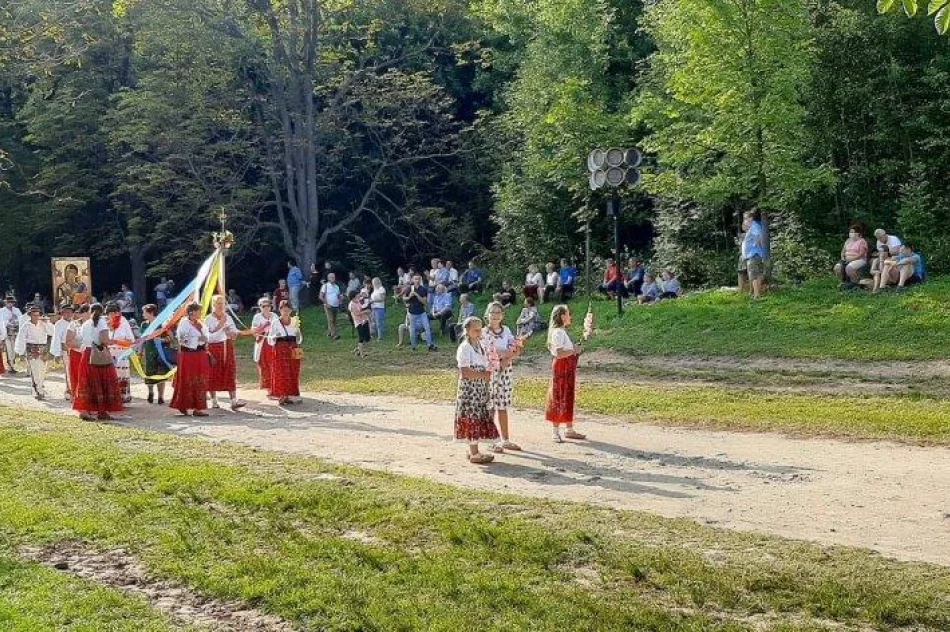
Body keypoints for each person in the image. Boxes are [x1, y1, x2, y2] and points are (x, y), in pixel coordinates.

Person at [454, 316, 499, 464]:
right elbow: (465, 371)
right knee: (472, 415)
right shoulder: (465, 347)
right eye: (476, 330)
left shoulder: (479, 345)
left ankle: (473, 449)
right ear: (467, 330)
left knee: (478, 415)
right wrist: (483, 375)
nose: (479, 332)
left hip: (479, 386)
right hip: (470, 388)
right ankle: (474, 453)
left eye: (480, 329)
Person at [483, 302, 524, 454]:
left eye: (498, 312)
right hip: (490, 372)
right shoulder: (484, 332)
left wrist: (507, 356)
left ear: (502, 315)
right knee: (491, 406)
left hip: (505, 371)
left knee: (503, 405)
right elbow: (488, 352)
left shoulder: (506, 330)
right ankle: (490, 439)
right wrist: (505, 354)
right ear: (487, 315)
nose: (495, 315)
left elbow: (515, 349)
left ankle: (505, 439)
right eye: (492, 312)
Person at [73, 303, 123, 420]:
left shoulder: (85, 323)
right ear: (102, 312)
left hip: (87, 354)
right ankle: (101, 411)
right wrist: (113, 341)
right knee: (102, 381)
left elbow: (81, 339)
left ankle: (85, 410)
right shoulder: (101, 322)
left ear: (90, 311)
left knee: (87, 382)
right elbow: (104, 339)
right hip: (98, 355)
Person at [545, 305, 587, 443]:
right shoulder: (557, 332)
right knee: (558, 395)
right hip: (561, 367)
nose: (570, 316)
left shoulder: (562, 332)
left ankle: (569, 428)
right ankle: (555, 431)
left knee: (568, 394)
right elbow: (559, 353)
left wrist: (575, 350)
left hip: (567, 367)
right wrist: (573, 350)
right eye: (568, 314)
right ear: (562, 316)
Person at [205, 294, 248, 410]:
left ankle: (233, 401)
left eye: (223, 303)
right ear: (213, 305)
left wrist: (235, 333)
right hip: (214, 348)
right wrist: (220, 327)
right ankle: (214, 400)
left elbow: (233, 329)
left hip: (227, 347)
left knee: (230, 371)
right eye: (218, 303)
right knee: (213, 372)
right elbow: (208, 337)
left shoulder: (228, 317)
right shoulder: (208, 319)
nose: (221, 306)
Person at [171, 303, 210, 417]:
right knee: (187, 379)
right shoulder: (184, 323)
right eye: (199, 311)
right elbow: (182, 339)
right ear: (192, 312)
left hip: (200, 354)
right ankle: (183, 405)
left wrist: (205, 339)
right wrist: (197, 339)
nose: (200, 313)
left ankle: (198, 408)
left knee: (200, 379)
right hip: (188, 355)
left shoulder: (200, 323)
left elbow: (207, 334)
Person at [15, 304, 54, 400]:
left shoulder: (44, 324)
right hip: (31, 349)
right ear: (30, 315)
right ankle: (38, 390)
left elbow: (52, 333)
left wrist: (47, 323)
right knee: (35, 370)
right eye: (34, 315)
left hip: (43, 348)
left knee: (42, 370)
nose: (36, 317)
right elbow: (21, 339)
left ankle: (37, 388)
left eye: (37, 315)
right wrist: (21, 353)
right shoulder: (26, 325)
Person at [268, 300, 303, 405]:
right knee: (281, 372)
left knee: (293, 372)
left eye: (288, 310)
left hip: (292, 349)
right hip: (280, 350)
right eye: (283, 310)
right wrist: (275, 336)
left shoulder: (294, 321)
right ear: (280, 310)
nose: (286, 312)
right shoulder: (275, 322)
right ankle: (282, 395)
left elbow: (300, 338)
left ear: (291, 310)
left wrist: (298, 335)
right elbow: (269, 340)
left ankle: (291, 395)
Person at [140, 303, 172, 405]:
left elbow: (170, 338)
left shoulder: (162, 324)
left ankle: (161, 396)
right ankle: (150, 392)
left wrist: (161, 340)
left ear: (151, 313)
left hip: (160, 353)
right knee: (149, 374)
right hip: (149, 352)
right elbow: (142, 340)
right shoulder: (144, 325)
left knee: (161, 374)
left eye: (144, 312)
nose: (142, 314)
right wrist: (140, 352)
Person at [106, 303, 135, 403]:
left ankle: (123, 396)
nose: (113, 315)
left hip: (121, 352)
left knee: (122, 373)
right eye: (110, 313)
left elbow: (130, 339)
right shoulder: (106, 322)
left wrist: (117, 341)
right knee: (112, 374)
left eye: (115, 312)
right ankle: (112, 395)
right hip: (110, 352)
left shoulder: (123, 321)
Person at [739, 211, 767, 300]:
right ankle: (756, 293)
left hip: (753, 255)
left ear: (751, 218)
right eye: (744, 218)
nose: (744, 220)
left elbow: (759, 235)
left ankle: (756, 296)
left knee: (754, 276)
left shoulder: (754, 226)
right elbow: (744, 228)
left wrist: (757, 242)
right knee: (757, 275)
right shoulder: (752, 227)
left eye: (746, 218)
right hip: (753, 255)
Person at [404, 274, 437, 352]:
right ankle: (413, 346)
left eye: (418, 279)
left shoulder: (423, 289)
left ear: (420, 280)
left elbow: (424, 302)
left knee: (427, 328)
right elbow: (404, 298)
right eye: (415, 279)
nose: (417, 280)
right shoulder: (409, 288)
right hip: (412, 312)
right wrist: (409, 297)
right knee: (412, 330)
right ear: (413, 280)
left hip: (422, 312)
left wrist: (416, 294)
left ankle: (430, 345)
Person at [50, 304, 76, 399]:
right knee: (68, 371)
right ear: (62, 313)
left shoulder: (75, 322)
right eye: (66, 312)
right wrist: (57, 354)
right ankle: (69, 391)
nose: (68, 314)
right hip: (66, 350)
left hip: (76, 350)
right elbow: (56, 339)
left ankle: (77, 390)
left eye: (70, 312)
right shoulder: (59, 324)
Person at [251, 297, 276, 390]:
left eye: (268, 305)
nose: (266, 308)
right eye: (263, 306)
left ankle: (274, 384)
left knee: (273, 363)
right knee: (263, 363)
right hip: (262, 343)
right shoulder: (257, 317)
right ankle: (266, 385)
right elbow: (254, 332)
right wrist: (265, 326)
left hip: (273, 342)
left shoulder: (274, 316)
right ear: (260, 307)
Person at [870, 229, 904, 293]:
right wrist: (881, 255)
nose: (879, 239)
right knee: (873, 261)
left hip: (895, 257)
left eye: (880, 237)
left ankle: (884, 284)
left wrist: (885, 252)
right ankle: (876, 289)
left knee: (887, 262)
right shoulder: (878, 241)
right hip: (884, 256)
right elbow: (880, 252)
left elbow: (897, 252)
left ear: (885, 235)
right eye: (877, 238)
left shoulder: (893, 239)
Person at [67, 305, 87, 398]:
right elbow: (68, 342)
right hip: (77, 354)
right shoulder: (74, 324)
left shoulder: (95, 324)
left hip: (91, 355)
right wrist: (81, 345)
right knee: (77, 376)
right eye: (85, 312)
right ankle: (78, 398)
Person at [0, 295, 23, 374]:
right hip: (7, 332)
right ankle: (10, 367)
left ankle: (13, 365)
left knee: (15, 349)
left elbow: (21, 319)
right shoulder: (1, 311)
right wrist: (9, 321)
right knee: (8, 350)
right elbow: (2, 322)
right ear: (5, 303)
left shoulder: (16, 310)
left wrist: (15, 319)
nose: (10, 304)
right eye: (8, 302)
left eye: (11, 302)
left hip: (16, 332)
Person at [319, 273, 342, 340]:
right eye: (331, 277)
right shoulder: (325, 286)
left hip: (335, 305)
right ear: (328, 278)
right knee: (331, 320)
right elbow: (321, 296)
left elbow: (338, 295)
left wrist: (340, 300)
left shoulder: (337, 286)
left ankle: (329, 332)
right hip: (328, 306)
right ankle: (334, 335)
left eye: (334, 277)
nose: (333, 278)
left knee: (334, 320)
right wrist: (326, 303)